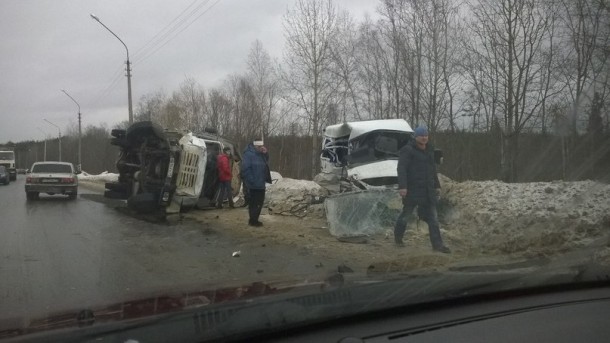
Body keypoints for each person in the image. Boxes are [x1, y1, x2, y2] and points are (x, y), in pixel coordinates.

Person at [394, 126, 451, 253]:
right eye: (421, 136)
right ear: (416, 137)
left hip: (427, 190)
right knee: (406, 215)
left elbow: (432, 170)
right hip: (413, 189)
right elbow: (401, 169)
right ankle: (398, 238)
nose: (424, 138)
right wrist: (403, 187)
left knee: (433, 218)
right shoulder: (407, 150)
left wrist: (436, 185)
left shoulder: (430, 150)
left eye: (426, 135)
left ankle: (438, 245)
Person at [241, 139, 272, 227]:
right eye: (259, 147)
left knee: (259, 202)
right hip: (253, 184)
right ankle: (253, 221)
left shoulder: (261, 154)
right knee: (254, 203)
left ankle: (254, 220)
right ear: (255, 146)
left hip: (261, 183)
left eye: (262, 146)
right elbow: (245, 169)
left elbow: (266, 162)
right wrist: (252, 180)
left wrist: (266, 153)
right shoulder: (248, 154)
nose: (261, 148)